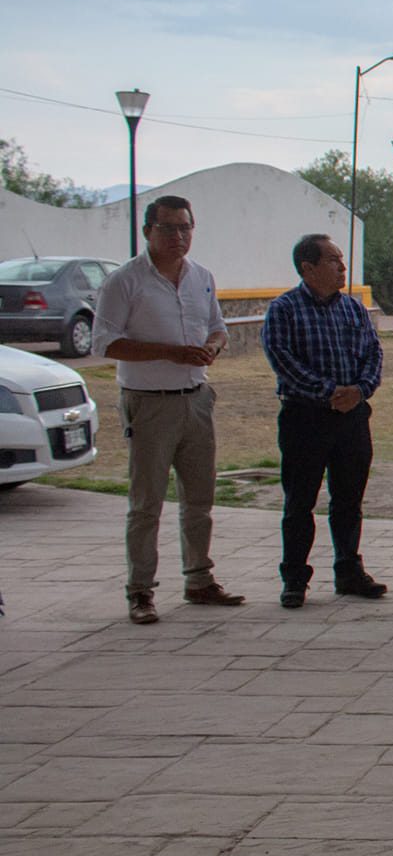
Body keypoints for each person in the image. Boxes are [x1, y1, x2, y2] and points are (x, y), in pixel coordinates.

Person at [92, 195, 245, 624]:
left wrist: (212, 347)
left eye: (185, 228)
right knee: (147, 504)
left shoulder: (202, 277)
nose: (179, 236)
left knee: (199, 499)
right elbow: (104, 342)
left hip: (195, 399)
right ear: (147, 232)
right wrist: (170, 353)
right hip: (149, 402)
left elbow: (217, 326)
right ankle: (140, 590)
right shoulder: (125, 281)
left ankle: (199, 579)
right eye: (169, 228)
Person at [259, 234, 386, 610]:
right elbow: (282, 359)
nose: (342, 268)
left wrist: (360, 390)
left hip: (352, 417)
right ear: (308, 268)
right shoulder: (284, 309)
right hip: (305, 417)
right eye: (333, 260)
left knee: (349, 499)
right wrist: (330, 392)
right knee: (300, 502)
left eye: (341, 260)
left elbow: (373, 353)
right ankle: (295, 578)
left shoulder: (354, 309)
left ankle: (349, 571)